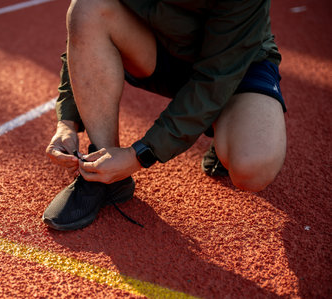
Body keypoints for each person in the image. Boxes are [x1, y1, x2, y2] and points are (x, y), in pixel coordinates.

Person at [42, 0, 287, 231]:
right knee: (87, 6)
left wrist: (138, 156)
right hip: (161, 49)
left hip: (236, 65)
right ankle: (102, 174)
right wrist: (67, 122)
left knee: (252, 167)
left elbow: (215, 80)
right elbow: (83, 29)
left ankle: (223, 120)